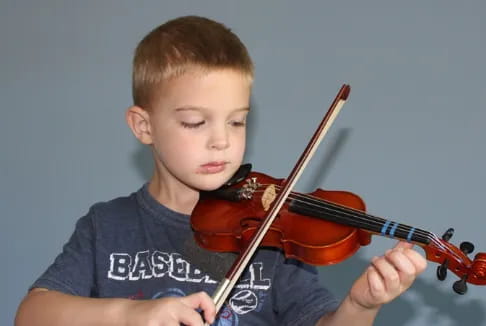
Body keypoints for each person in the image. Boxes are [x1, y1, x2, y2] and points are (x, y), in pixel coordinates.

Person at [15, 16, 427, 326]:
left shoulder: (269, 235)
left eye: (236, 121)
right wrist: (131, 313)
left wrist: (360, 306)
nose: (221, 141)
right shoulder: (106, 226)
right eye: (196, 122)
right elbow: (32, 313)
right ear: (144, 126)